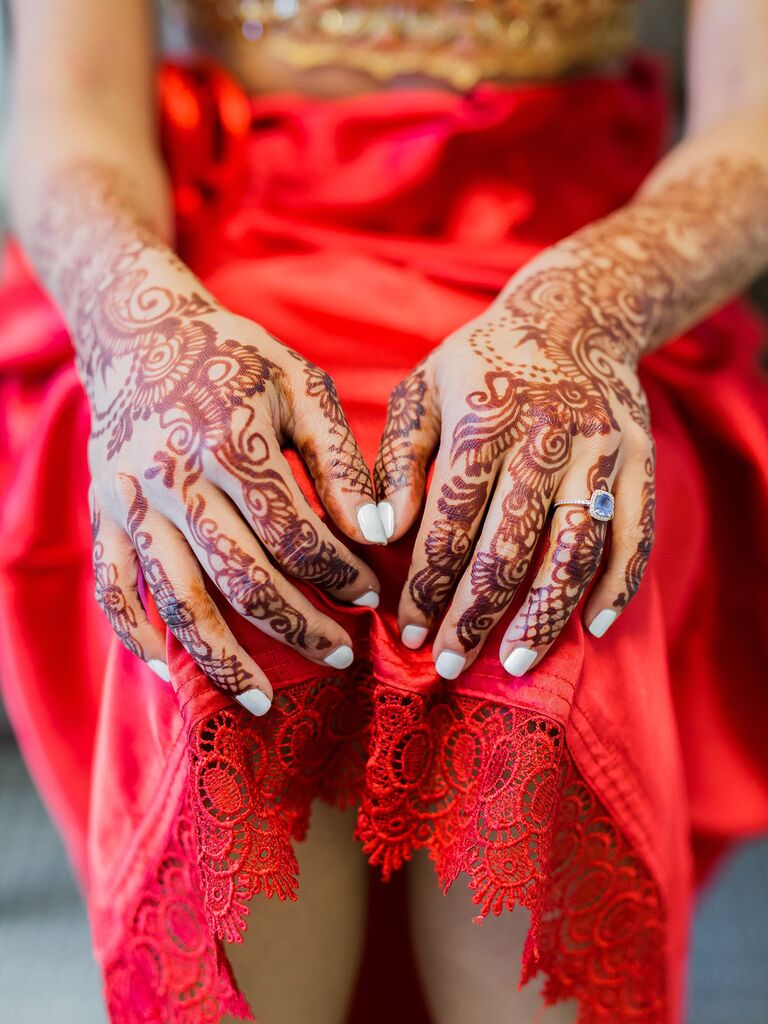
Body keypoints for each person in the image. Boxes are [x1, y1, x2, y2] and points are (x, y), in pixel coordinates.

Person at [1, 1, 767, 1022]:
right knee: (231, 572)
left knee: (537, 574)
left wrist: (582, 315)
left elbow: (753, 113)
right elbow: (73, 106)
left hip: (574, 269)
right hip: (219, 290)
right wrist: (143, 336)